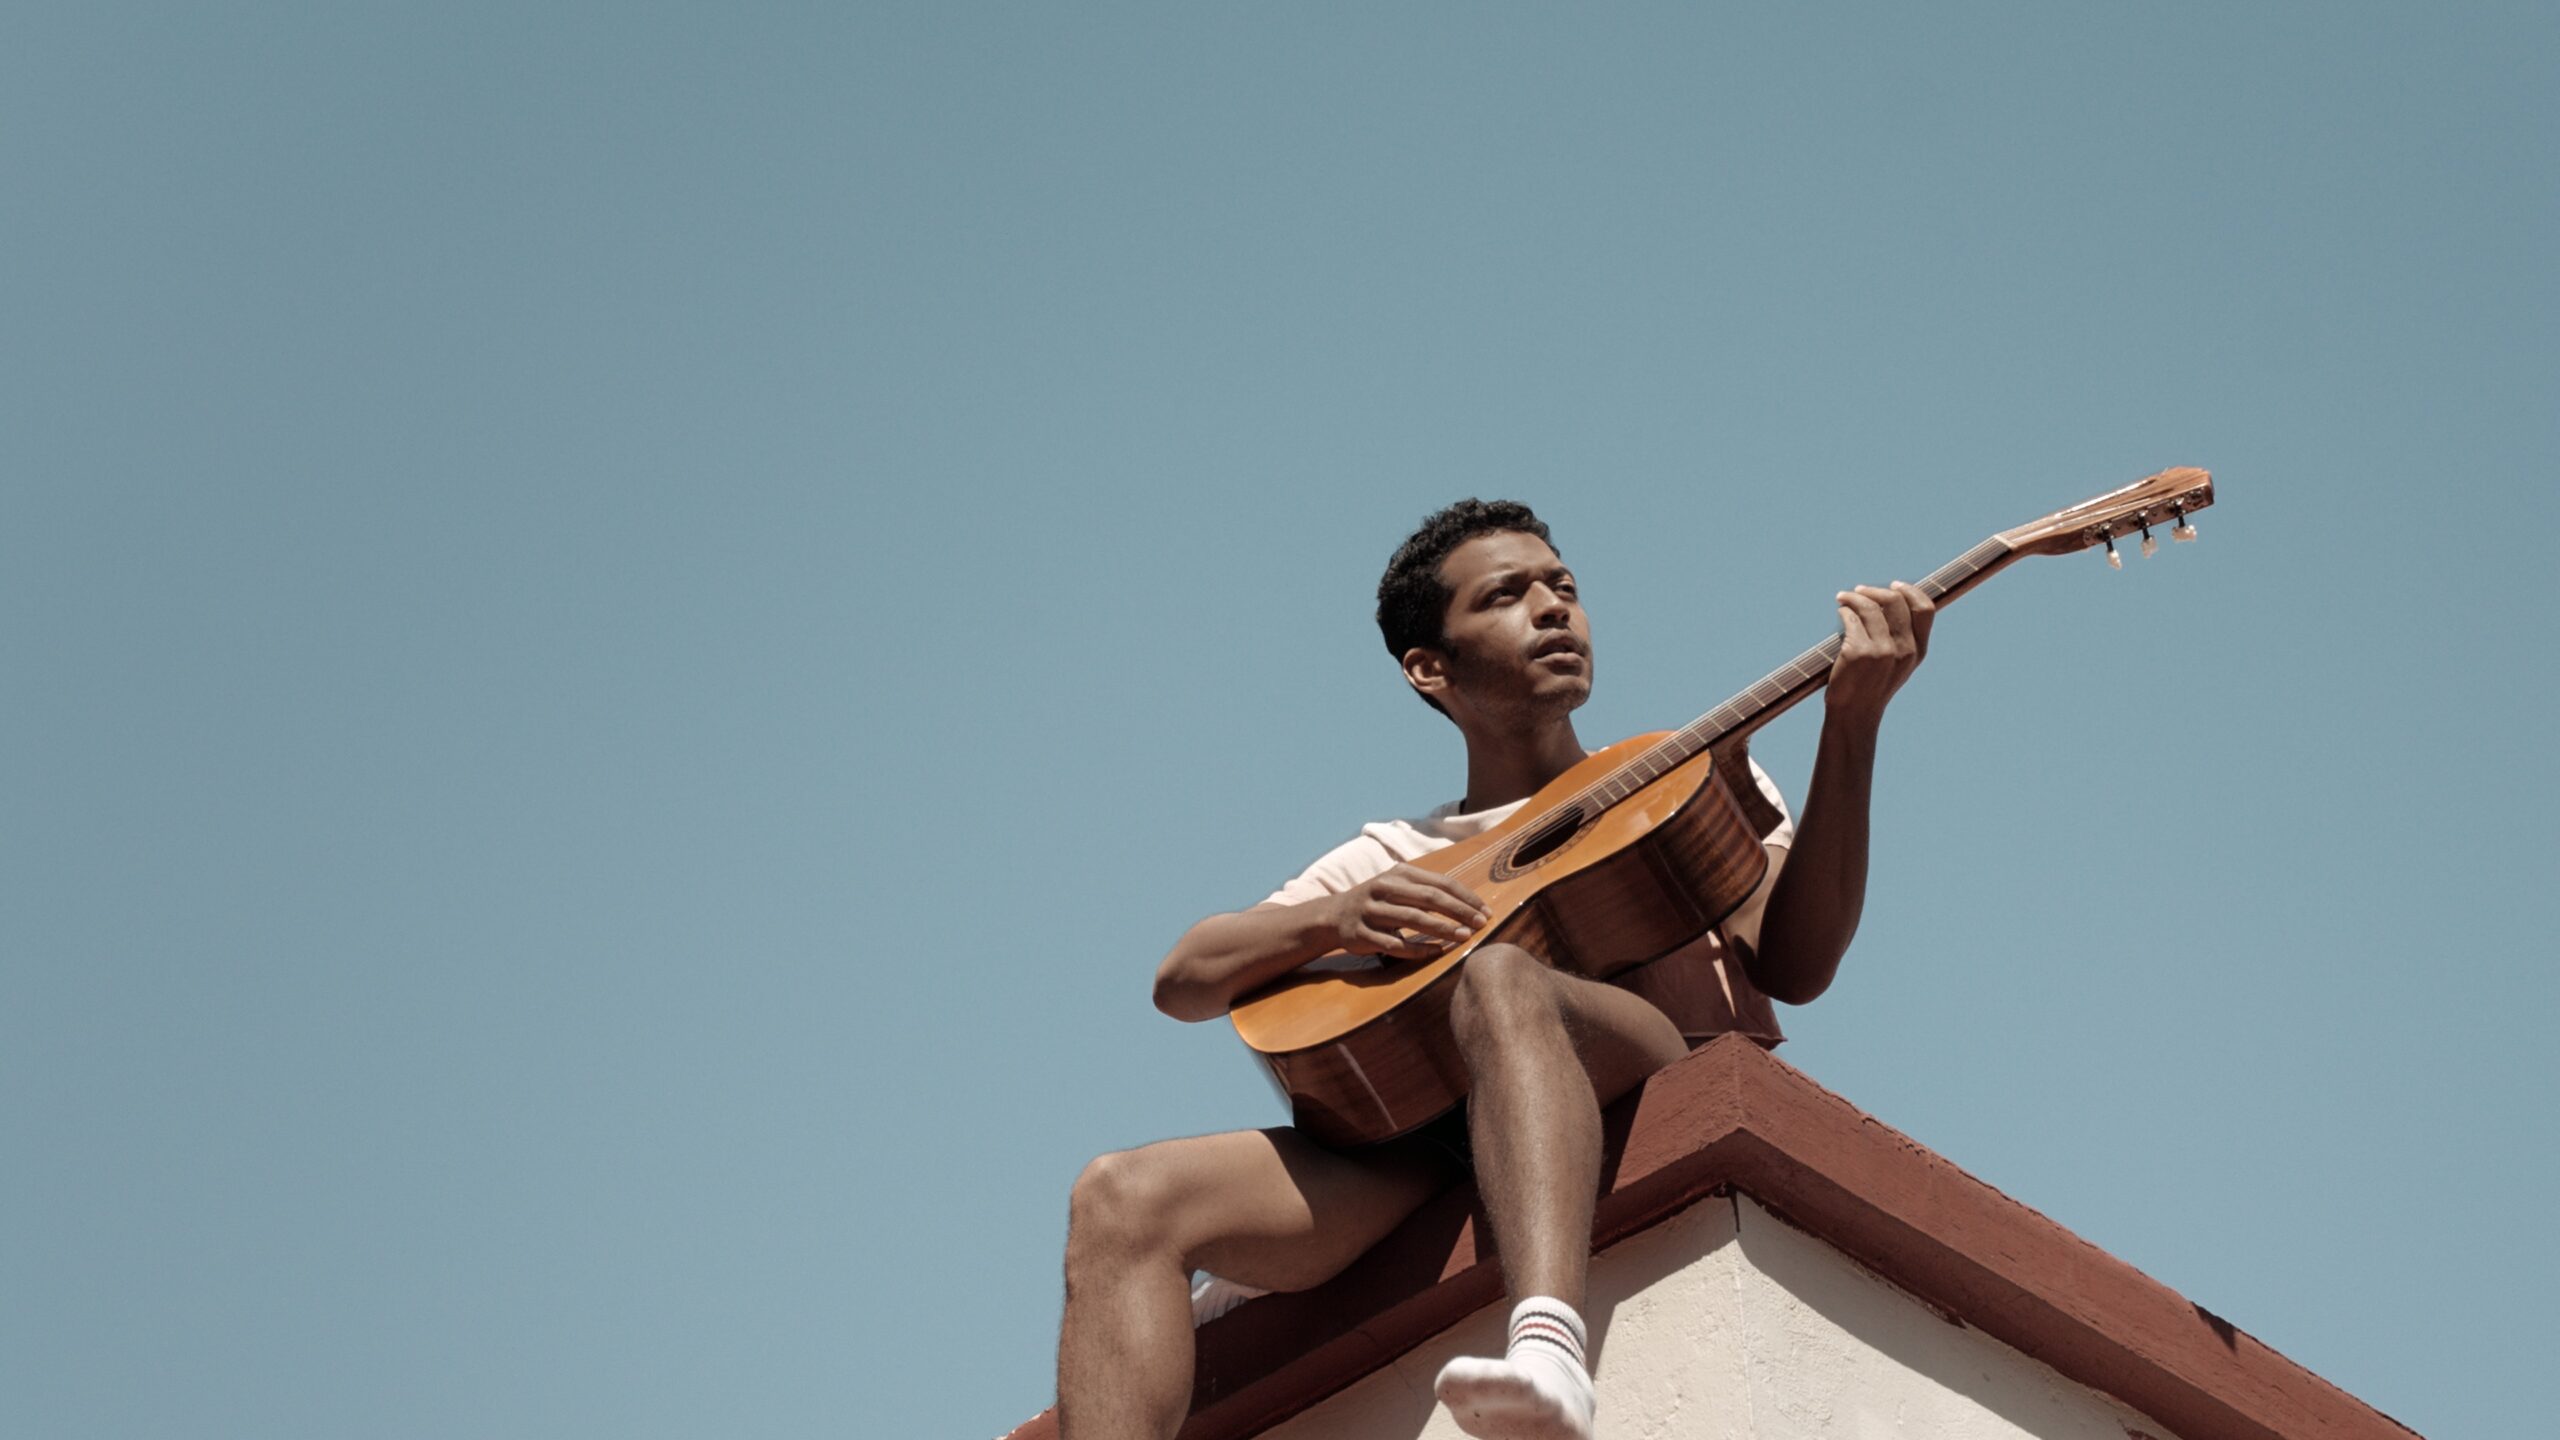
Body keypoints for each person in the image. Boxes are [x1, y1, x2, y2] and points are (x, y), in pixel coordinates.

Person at [1056, 499, 1933, 1440]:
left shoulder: (1680, 779)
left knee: (1501, 976)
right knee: (1119, 1194)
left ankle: (1550, 1351)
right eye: (1506, 596)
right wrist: (1333, 918)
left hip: (1640, 1066)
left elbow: (1797, 966)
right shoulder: (1402, 850)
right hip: (1429, 1145)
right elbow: (1184, 978)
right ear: (1429, 668)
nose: (1554, 609)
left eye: (1565, 587)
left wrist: (1853, 725)